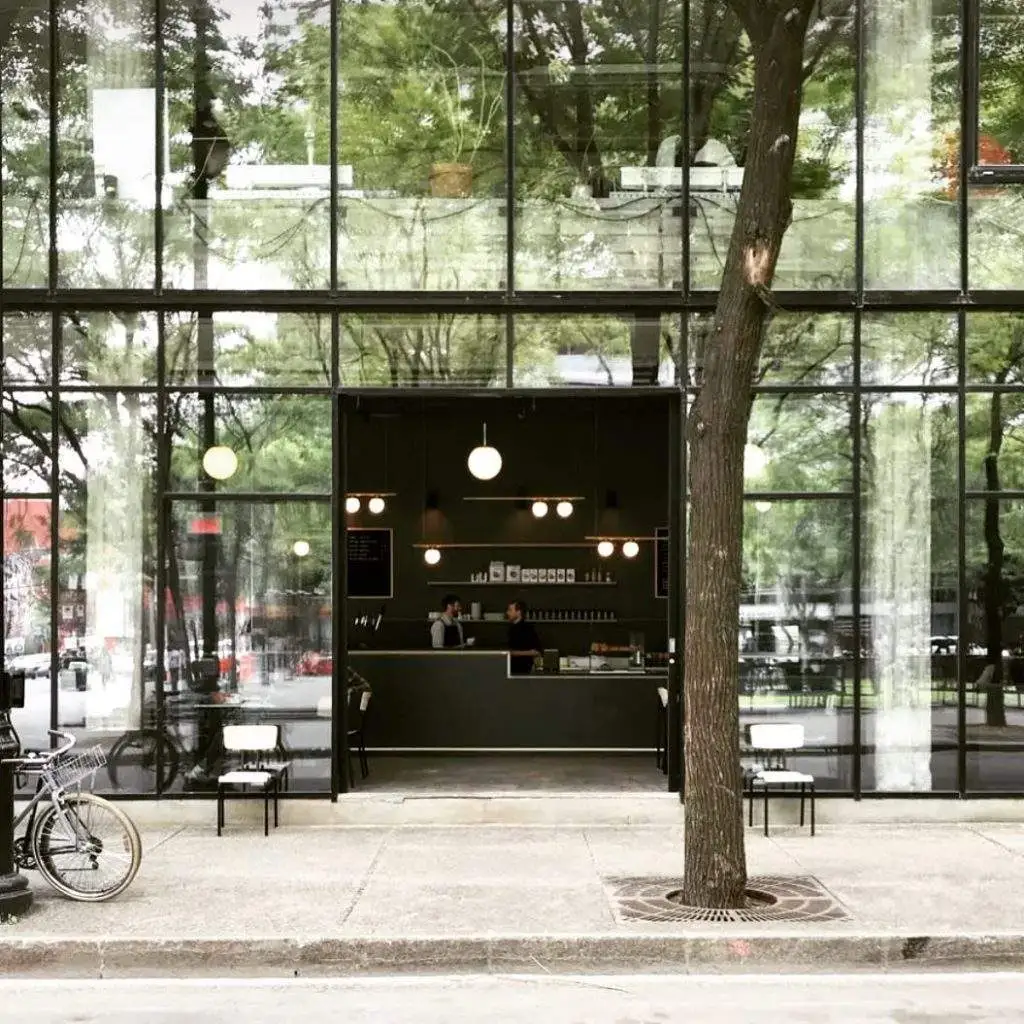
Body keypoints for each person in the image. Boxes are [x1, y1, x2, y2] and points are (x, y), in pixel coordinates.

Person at [506, 600, 542, 675]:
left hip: (523, 672)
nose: (507, 613)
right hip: (510, 671)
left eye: (510, 610)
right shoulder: (511, 629)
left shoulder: (528, 629)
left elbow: (537, 651)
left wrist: (514, 653)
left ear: (518, 612)